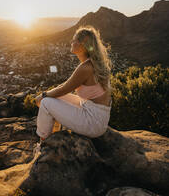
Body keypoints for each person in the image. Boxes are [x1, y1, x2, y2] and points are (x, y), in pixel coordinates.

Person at [34, 25, 113, 154]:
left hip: (93, 121)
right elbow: (66, 85)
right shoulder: (91, 63)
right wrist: (47, 94)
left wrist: (42, 95)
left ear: (82, 45)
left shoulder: (86, 67)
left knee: (46, 103)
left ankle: (43, 145)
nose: (71, 42)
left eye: (74, 40)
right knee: (52, 97)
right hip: (94, 113)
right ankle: (54, 134)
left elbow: (64, 89)